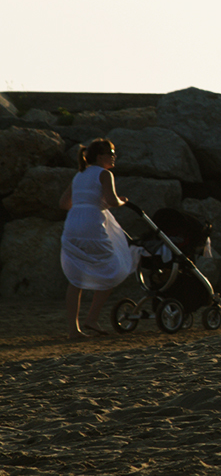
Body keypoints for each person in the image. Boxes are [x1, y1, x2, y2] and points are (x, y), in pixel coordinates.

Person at [59, 138, 142, 340]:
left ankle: (73, 330)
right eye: (110, 152)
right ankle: (92, 318)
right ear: (99, 156)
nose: (114, 156)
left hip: (73, 223)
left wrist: (83, 204)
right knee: (112, 268)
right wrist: (123, 201)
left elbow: (63, 203)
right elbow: (113, 201)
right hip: (91, 223)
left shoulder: (79, 175)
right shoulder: (105, 174)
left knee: (75, 278)